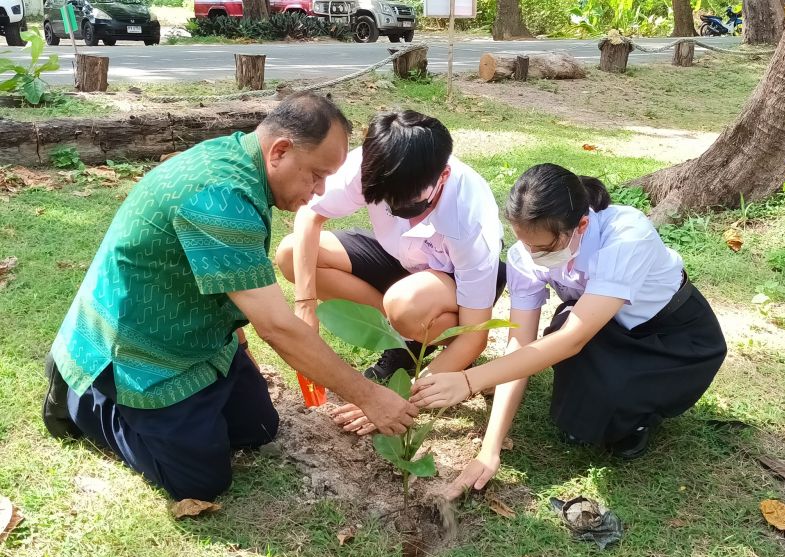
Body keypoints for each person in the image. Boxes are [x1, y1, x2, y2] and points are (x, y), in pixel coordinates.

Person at [42, 92, 418, 502]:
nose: (319, 190)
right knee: (198, 482)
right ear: (280, 151)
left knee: (258, 429)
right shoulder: (219, 199)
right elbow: (276, 326)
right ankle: (81, 390)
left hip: (197, 335)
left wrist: (240, 353)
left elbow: (232, 280)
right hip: (141, 351)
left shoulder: (242, 162)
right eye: (316, 175)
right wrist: (370, 397)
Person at [409, 163, 727, 497]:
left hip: (672, 335)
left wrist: (470, 381)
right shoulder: (524, 257)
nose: (532, 254)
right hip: (604, 326)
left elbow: (573, 340)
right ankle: (607, 402)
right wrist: (490, 447)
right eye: (524, 243)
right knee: (574, 407)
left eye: (543, 248)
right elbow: (519, 342)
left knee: (607, 395)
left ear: (582, 225)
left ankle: (639, 417)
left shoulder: (627, 235)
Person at [275, 110, 506, 401]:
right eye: (388, 200)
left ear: (443, 176)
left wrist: (403, 398)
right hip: (401, 257)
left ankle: (431, 339)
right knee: (290, 253)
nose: (397, 209)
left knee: (405, 305)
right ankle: (405, 340)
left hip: (451, 280)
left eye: (411, 202)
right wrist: (305, 306)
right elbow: (311, 214)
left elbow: (476, 335)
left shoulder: (470, 222)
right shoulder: (376, 163)